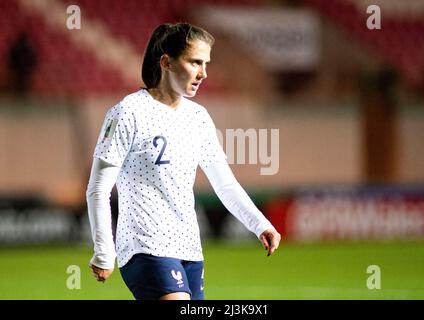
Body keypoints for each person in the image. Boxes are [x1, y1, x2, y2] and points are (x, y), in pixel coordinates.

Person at [86, 22, 281, 300]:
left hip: (189, 248)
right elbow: (98, 188)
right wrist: (104, 251)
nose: (203, 73)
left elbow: (224, 183)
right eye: (195, 62)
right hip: (146, 246)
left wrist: (259, 223)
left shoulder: (198, 117)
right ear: (166, 62)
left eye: (206, 64)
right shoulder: (128, 112)